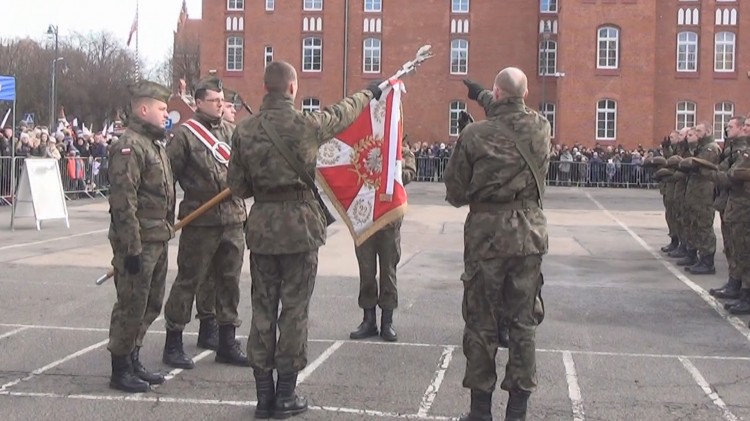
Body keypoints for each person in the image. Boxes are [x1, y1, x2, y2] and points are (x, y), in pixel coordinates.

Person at [227, 60, 380, 419]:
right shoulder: (306, 125)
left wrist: (263, 189)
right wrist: (370, 93)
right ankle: (285, 395)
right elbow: (342, 113)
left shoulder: (245, 130)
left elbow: (236, 186)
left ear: (266, 88)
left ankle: (263, 396)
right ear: (292, 88)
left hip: (262, 228)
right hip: (299, 229)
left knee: (262, 309)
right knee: (294, 311)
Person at [445, 68, 550, 421]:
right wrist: (484, 96)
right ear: (525, 93)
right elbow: (510, 108)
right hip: (528, 236)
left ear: (497, 92)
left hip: (486, 237)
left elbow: (455, 193)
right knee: (523, 323)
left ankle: (480, 411)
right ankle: (517, 411)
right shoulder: (541, 128)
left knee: (481, 323)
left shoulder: (475, 135)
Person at [162, 76, 249, 369]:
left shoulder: (230, 132)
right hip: (200, 219)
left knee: (229, 281)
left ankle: (226, 340)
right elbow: (167, 178)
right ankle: (173, 341)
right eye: (215, 101)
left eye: (222, 101)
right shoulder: (185, 136)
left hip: (233, 218)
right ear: (199, 103)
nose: (220, 105)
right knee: (190, 280)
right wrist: (165, 215)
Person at [106, 80, 175, 393]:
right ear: (144, 109)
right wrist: (131, 247)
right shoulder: (130, 145)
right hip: (138, 243)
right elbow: (123, 202)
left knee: (150, 304)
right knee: (131, 305)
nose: (166, 114)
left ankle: (133, 357)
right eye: (161, 109)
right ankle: (120, 368)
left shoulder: (153, 144)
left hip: (157, 238)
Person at [349, 141, 417, 342]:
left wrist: (390, 170)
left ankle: (387, 321)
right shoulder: (364, 145)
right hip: (365, 218)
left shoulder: (401, 150)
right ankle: (368, 320)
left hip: (389, 220)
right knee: (366, 271)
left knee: (388, 271)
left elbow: (410, 173)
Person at [682, 122, 721, 274]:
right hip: (696, 192)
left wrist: (688, 162)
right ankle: (700, 257)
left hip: (704, 193)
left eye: (699, 131)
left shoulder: (710, 148)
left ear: (708, 131)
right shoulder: (701, 147)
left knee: (704, 225)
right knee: (696, 224)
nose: (696, 134)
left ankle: (707, 261)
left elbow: (698, 166)